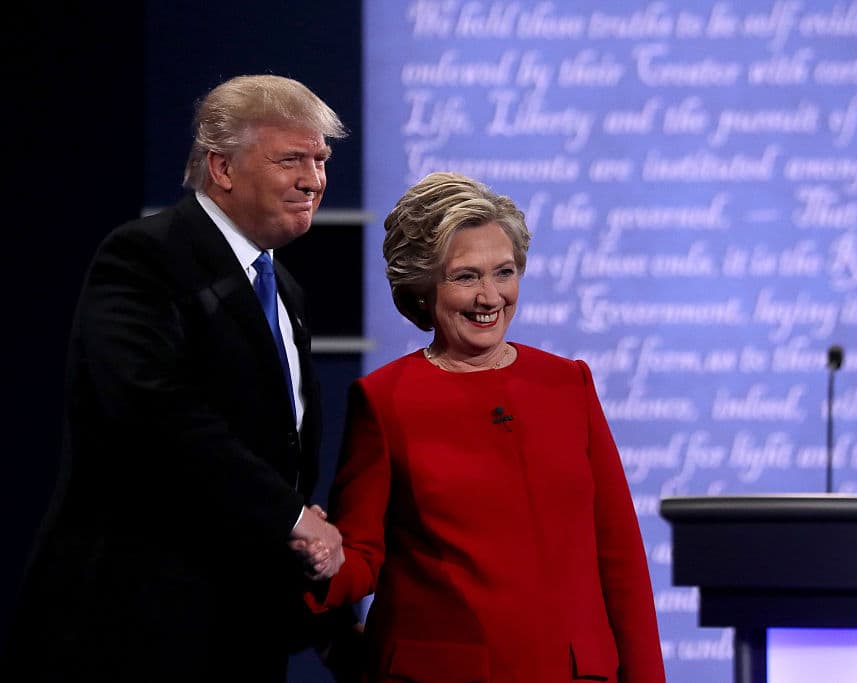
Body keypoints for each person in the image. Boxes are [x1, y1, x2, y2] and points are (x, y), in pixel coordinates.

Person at [4, 74, 348, 682]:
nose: (313, 180)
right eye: (291, 159)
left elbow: (274, 447)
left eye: (320, 160)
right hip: (137, 623)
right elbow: (151, 412)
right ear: (221, 167)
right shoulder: (145, 257)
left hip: (239, 623)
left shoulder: (283, 287)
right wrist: (290, 515)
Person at [310, 171, 665, 682]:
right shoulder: (385, 399)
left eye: (504, 272)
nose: (490, 297)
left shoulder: (568, 383)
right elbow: (361, 558)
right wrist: (317, 558)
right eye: (466, 276)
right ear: (423, 287)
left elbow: (620, 557)